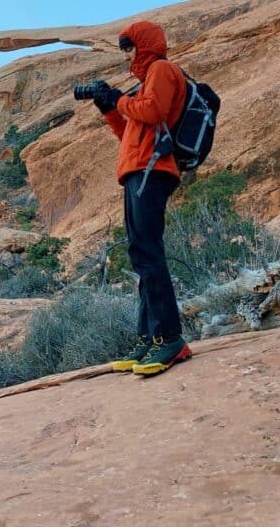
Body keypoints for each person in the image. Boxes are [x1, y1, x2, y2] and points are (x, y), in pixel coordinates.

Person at [91, 21, 193, 376]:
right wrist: (108, 108)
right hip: (138, 171)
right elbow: (129, 133)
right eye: (123, 49)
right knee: (140, 254)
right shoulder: (143, 84)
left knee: (148, 253)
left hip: (153, 171)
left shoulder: (162, 70)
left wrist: (120, 99)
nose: (126, 54)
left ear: (145, 44)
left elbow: (153, 112)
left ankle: (170, 339)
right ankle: (149, 339)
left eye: (129, 46)